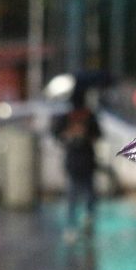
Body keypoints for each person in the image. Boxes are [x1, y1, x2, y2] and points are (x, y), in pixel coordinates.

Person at [52, 87, 102, 231]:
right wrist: (70, 135)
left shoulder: (87, 117)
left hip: (82, 161)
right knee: (78, 195)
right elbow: (57, 134)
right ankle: (77, 223)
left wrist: (83, 136)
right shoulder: (72, 117)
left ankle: (79, 222)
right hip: (79, 161)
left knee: (81, 195)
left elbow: (97, 135)